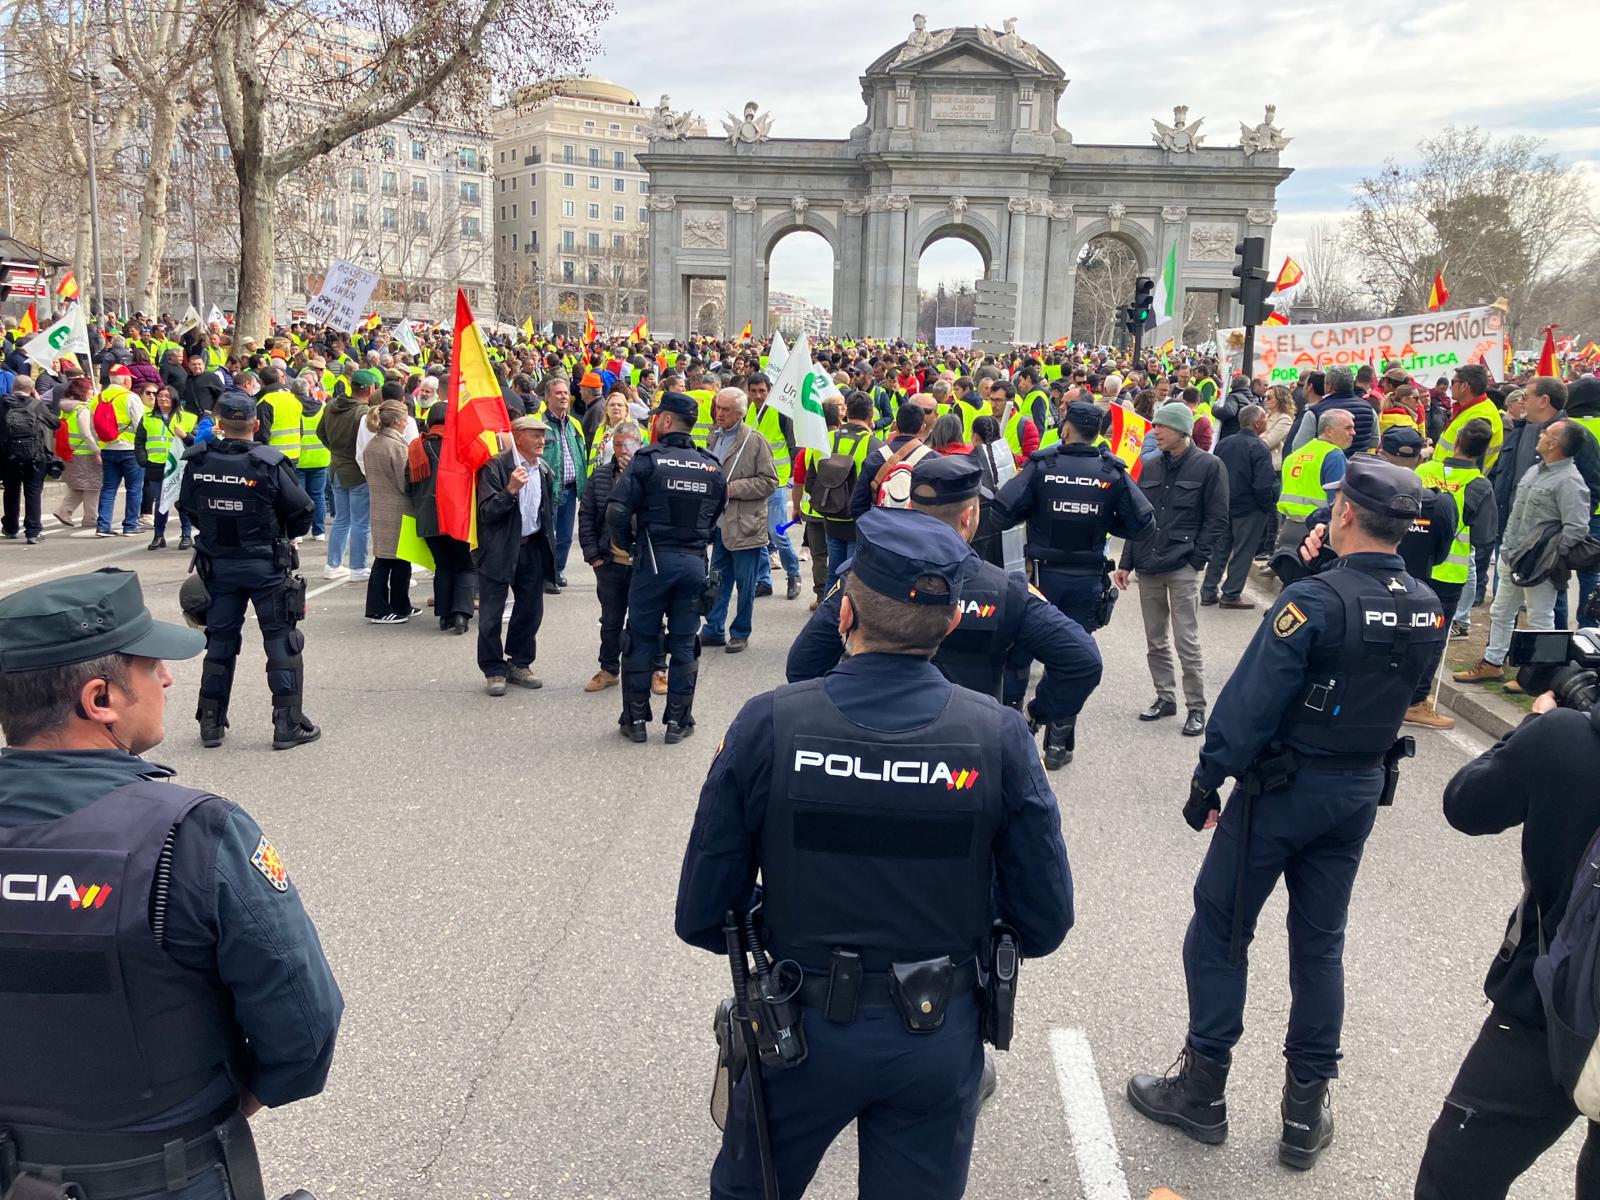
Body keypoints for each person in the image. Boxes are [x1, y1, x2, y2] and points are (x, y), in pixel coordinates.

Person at [676, 505, 1074, 1200]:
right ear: (951, 625)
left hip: (796, 1027)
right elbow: (1044, 920)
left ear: (844, 618)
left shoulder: (769, 722)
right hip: (936, 1031)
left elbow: (703, 913)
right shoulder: (1001, 737)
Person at [1127, 456, 1444, 1170]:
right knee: (1320, 944)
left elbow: (1250, 700)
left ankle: (1202, 1090)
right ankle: (1306, 1113)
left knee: (1219, 928)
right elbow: (1409, 685)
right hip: (1358, 787)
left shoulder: (1315, 602)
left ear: (1342, 516)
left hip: (1281, 789)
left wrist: (1209, 780)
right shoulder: (1425, 603)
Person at [0, 569, 343, 1200]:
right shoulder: (196, 835)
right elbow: (303, 1019)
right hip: (165, 1173)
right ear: (100, 699)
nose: (167, 677)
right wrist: (228, 1105)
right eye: (150, 664)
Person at [788, 455, 1103, 769]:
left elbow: (803, 664)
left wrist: (836, 719)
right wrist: (1034, 716)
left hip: (868, 748)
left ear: (910, 508)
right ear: (969, 516)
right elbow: (1082, 660)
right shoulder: (1006, 590)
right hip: (969, 755)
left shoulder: (865, 574)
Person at [1414, 691, 1600, 1198]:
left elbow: (1466, 805)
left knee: (1456, 1179)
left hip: (1543, 1008)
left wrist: (1532, 727)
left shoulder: (1565, 738)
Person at [179, 389, 320, 751]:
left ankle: (210, 721)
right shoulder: (269, 463)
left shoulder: (198, 459)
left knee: (220, 642)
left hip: (219, 566)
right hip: (264, 564)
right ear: (256, 424)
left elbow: (188, 506)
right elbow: (303, 510)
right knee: (281, 641)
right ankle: (286, 724)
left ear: (220, 425)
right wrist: (282, 534)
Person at [606, 391, 727, 744]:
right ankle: (678, 722)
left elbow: (616, 511)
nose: (654, 419)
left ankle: (635, 720)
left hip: (653, 561)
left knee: (641, 639)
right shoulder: (711, 465)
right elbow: (717, 512)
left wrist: (627, 546)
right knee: (685, 643)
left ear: (667, 421)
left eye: (658, 415)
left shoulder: (647, 460)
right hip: (692, 564)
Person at [1115, 401, 1229, 737]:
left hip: (1182, 566)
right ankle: (1165, 697)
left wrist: (1197, 561)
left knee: (1186, 641)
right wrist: (1126, 563)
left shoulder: (1210, 466)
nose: (1156, 431)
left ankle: (1196, 707)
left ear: (1182, 429)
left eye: (1162, 426)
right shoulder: (1149, 466)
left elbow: (1217, 518)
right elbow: (1139, 519)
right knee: (1155, 640)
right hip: (1149, 565)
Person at [993, 400, 1153, 633]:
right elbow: (1144, 525)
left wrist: (1034, 512)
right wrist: (1105, 520)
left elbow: (1000, 514)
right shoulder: (1112, 472)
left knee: (1027, 645)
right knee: (1073, 649)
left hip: (1042, 576)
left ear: (1065, 430)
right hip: (1087, 579)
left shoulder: (1040, 466)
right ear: (1096, 434)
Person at [1455, 419, 1592, 687]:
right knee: (1501, 611)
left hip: (1539, 566)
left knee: (1541, 618)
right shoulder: (1535, 471)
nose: (1540, 435)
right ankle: (1493, 663)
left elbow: (1576, 528)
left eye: (1546, 433)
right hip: (1512, 557)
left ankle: (1536, 677)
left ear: (1554, 444)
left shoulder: (1570, 482)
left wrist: (1548, 556)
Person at [473, 413, 557, 696]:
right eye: (535, 435)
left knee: (531, 610)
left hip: (532, 547)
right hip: (499, 548)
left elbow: (547, 508)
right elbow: (486, 513)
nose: (541, 440)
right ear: (517, 436)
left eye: (542, 435)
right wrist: (510, 491)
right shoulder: (495, 467)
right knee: (491, 615)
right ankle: (494, 670)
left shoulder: (543, 469)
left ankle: (520, 663)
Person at [701, 387, 778, 654]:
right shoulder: (714, 436)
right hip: (720, 524)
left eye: (725, 410)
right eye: (717, 408)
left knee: (746, 585)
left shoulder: (754, 441)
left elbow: (769, 482)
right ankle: (713, 628)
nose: (719, 414)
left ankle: (740, 632)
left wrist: (733, 489)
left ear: (740, 414)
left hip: (746, 526)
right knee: (716, 579)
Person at [579, 420, 643, 691]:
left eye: (628, 445)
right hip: (610, 563)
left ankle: (654, 670)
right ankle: (608, 669)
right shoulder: (601, 476)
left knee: (646, 621)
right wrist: (594, 557)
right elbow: (586, 517)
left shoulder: (650, 476)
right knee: (611, 620)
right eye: (617, 445)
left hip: (642, 564)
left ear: (639, 445)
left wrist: (635, 477)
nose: (622, 451)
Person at [407, 402, 477, 635]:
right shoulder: (463, 445)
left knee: (443, 565)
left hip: (429, 517)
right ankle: (461, 614)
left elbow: (409, 484)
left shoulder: (417, 447)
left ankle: (445, 615)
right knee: (465, 565)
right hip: (459, 515)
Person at [1204, 404, 1279, 609]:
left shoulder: (1225, 443)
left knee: (1220, 549)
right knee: (1243, 552)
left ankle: (1208, 590)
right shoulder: (1259, 447)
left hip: (1224, 503)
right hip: (1249, 507)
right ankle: (1231, 593)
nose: (1266, 421)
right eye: (1264, 418)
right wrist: (1266, 506)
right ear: (1257, 423)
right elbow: (1263, 483)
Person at [745, 371, 803, 601]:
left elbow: (793, 445)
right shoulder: (748, 411)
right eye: (754, 391)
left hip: (777, 481)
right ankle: (764, 580)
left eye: (762, 391)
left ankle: (793, 574)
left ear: (770, 390)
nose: (758, 395)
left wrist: (793, 479)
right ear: (748, 391)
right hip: (753, 481)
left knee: (776, 532)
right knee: (757, 533)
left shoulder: (781, 413)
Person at [321, 367, 379, 582]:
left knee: (342, 520)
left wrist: (335, 451)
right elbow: (367, 444)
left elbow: (321, 433)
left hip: (336, 467)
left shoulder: (331, 406)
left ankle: (333, 564)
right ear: (371, 388)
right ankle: (358, 567)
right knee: (360, 523)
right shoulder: (364, 413)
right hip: (356, 471)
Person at [361, 400, 416, 625]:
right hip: (398, 508)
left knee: (392, 559)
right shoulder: (397, 447)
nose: (406, 423)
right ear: (395, 422)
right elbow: (405, 482)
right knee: (390, 561)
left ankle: (400, 604)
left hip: (380, 506)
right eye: (404, 419)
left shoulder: (373, 444)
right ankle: (379, 608)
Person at [1276, 409, 1355, 554]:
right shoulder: (1333, 456)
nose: (1353, 432)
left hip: (1288, 530)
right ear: (1329, 431)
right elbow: (1337, 504)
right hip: (1316, 533)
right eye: (1348, 428)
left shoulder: (1295, 456)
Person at [539, 374, 587, 593]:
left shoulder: (574, 423)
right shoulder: (540, 424)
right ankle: (546, 575)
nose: (563, 396)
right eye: (558, 393)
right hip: (549, 490)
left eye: (566, 393)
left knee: (566, 536)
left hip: (571, 488)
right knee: (547, 534)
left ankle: (557, 571)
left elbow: (580, 453)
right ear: (548, 397)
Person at [135, 382, 197, 550]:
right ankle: (158, 535)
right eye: (160, 395)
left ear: (174, 399)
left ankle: (186, 535)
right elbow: (139, 441)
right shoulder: (147, 418)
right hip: (156, 465)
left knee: (182, 501)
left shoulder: (187, 418)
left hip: (180, 466)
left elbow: (196, 442)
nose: (163, 398)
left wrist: (185, 435)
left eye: (167, 396)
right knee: (161, 501)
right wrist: (143, 459)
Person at [0, 374, 59, 544]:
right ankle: (33, 531)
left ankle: (10, 528)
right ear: (31, 389)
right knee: (33, 492)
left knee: (11, 491)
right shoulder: (36, 405)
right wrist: (39, 400)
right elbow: (55, 423)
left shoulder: (3, 404)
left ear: (13, 388)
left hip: (8, 455)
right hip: (34, 455)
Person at [95, 365, 146, 537]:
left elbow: (93, 425)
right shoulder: (130, 397)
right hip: (130, 449)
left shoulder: (99, 397)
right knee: (134, 488)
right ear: (126, 380)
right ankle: (130, 525)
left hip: (107, 448)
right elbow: (140, 424)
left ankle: (103, 525)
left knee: (109, 488)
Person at [1290, 364, 1376, 455]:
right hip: (1360, 466)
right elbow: (1375, 441)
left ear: (1329, 386)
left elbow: (1299, 447)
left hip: (1327, 466)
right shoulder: (1369, 409)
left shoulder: (1315, 412)